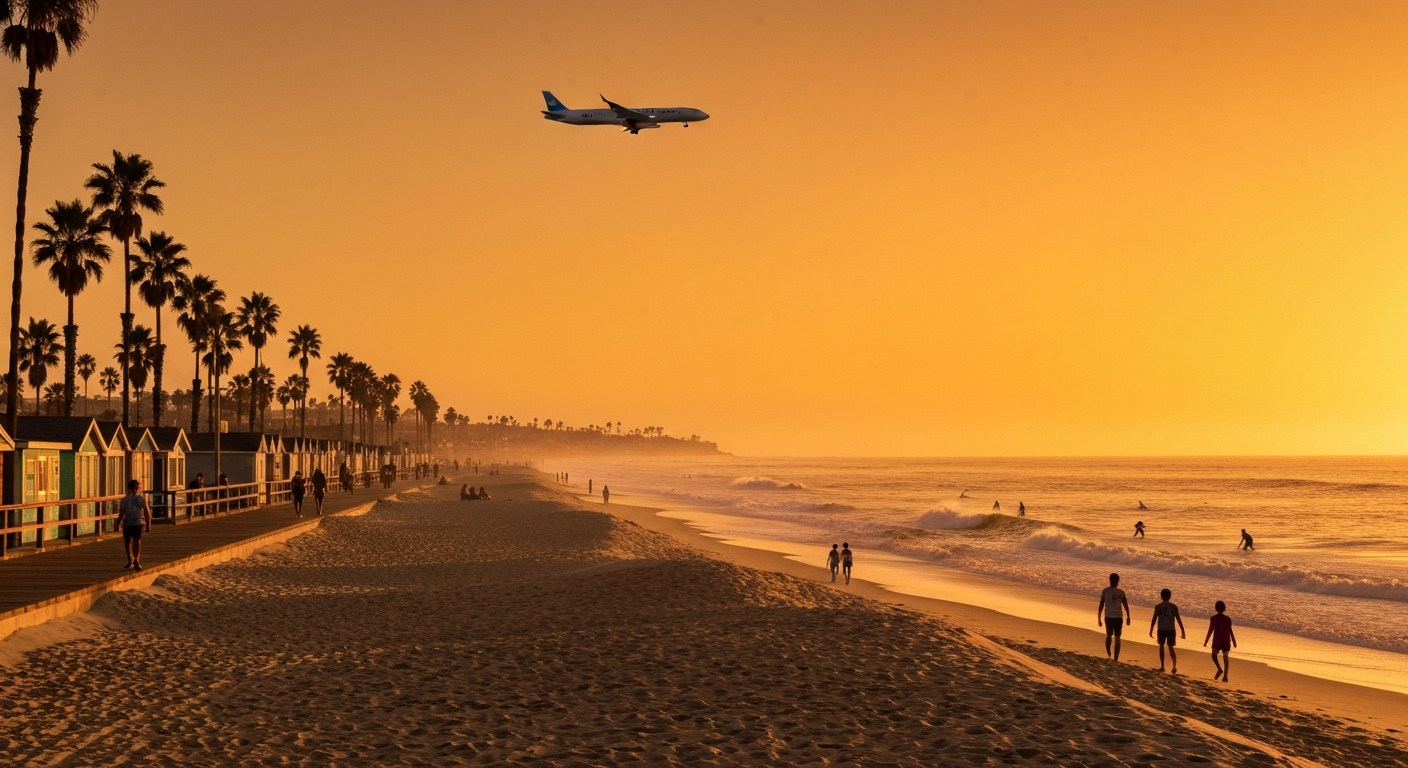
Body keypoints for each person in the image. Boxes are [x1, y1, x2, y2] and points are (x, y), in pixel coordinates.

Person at [1148, 588, 1186, 673]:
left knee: (1161, 647)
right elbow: (1179, 619)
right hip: (1171, 630)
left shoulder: (1158, 607)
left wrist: (1151, 629)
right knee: (1171, 647)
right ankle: (1174, 666)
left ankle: (1162, 666)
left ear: (1161, 596)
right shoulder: (1173, 607)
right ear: (1170, 596)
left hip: (1161, 629)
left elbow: (1154, 619)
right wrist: (1183, 631)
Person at [1097, 573, 1131, 660]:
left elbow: (1101, 605)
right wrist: (1128, 616)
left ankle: (1108, 652)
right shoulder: (1121, 592)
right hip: (1118, 617)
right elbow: (1126, 605)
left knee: (1109, 635)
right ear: (1118, 581)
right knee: (1117, 637)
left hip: (1108, 616)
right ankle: (1116, 657)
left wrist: (1099, 618)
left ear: (1110, 580)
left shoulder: (1105, 591)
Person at [120, 479, 152, 571]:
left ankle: (132, 560)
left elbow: (121, 514)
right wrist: (148, 525)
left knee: (128, 542)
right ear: (137, 488)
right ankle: (135, 560)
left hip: (129, 523)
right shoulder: (140, 499)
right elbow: (147, 513)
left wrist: (118, 523)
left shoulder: (125, 499)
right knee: (136, 541)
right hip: (136, 522)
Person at [1203, 600, 1237, 681]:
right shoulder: (1227, 618)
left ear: (1215, 608)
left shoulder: (1214, 618)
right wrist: (1234, 641)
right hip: (1226, 641)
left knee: (1214, 655)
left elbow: (1210, 630)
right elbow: (1230, 631)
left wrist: (1206, 640)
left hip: (1217, 641)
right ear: (1224, 608)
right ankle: (1225, 676)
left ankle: (1219, 669)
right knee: (1225, 657)